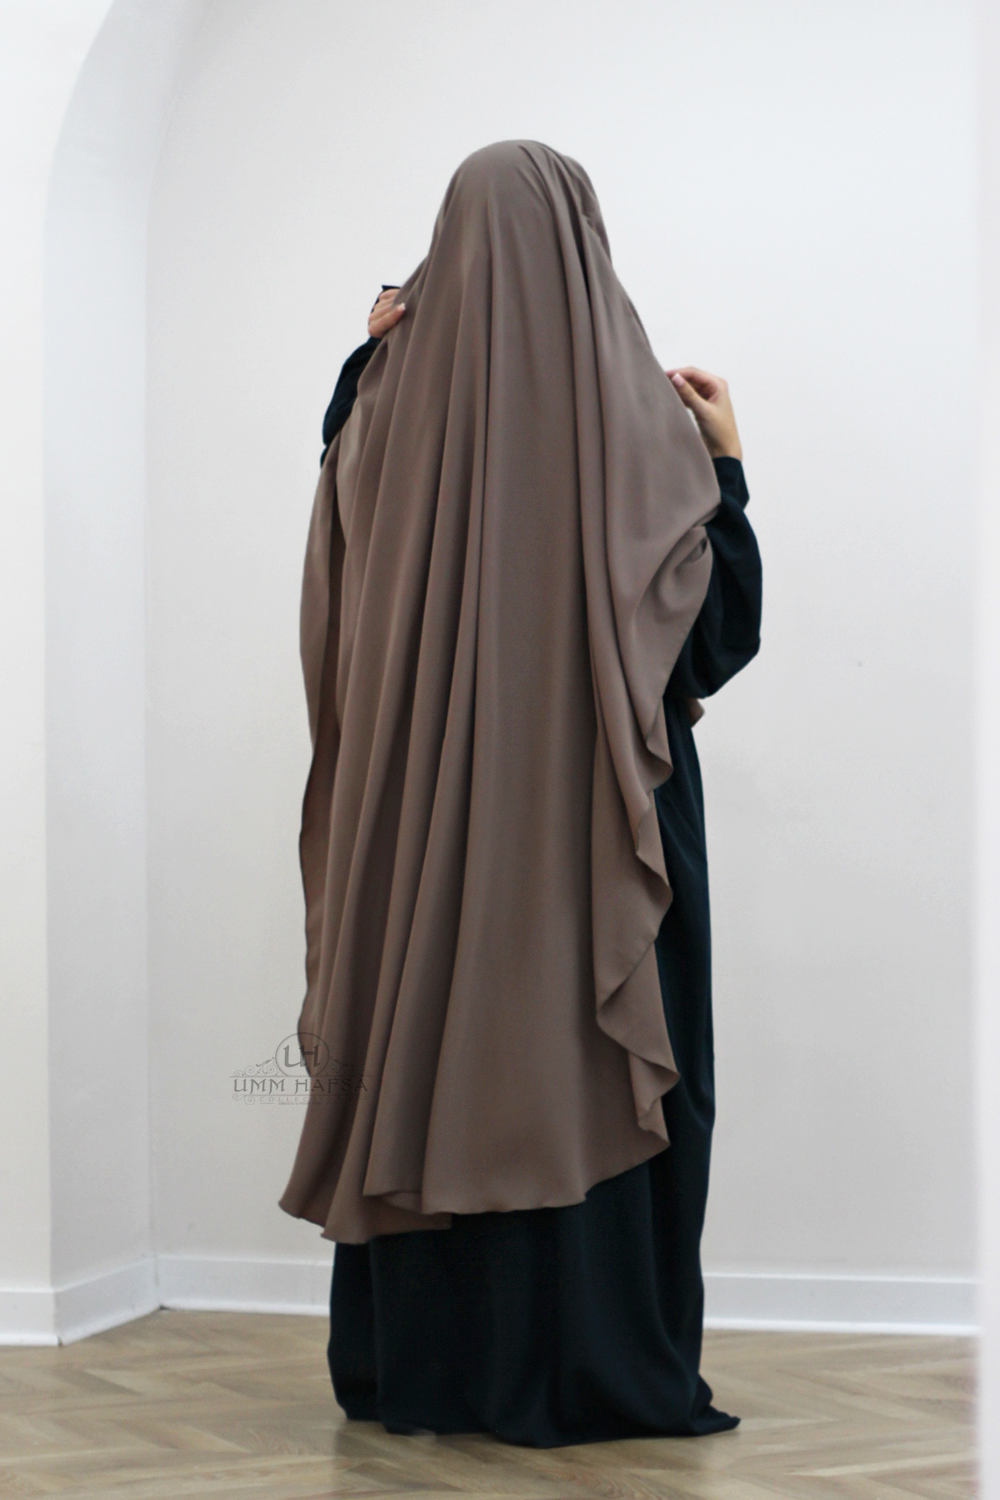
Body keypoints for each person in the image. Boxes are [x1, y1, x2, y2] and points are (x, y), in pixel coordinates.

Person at [282, 141, 762, 1448]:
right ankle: (602, 1367)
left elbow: (341, 592)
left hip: (422, 837)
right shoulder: (637, 419)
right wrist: (725, 466)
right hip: (606, 833)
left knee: (433, 1049)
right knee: (609, 1071)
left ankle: (424, 1372)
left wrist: (361, 369)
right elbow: (710, 640)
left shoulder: (380, 409)